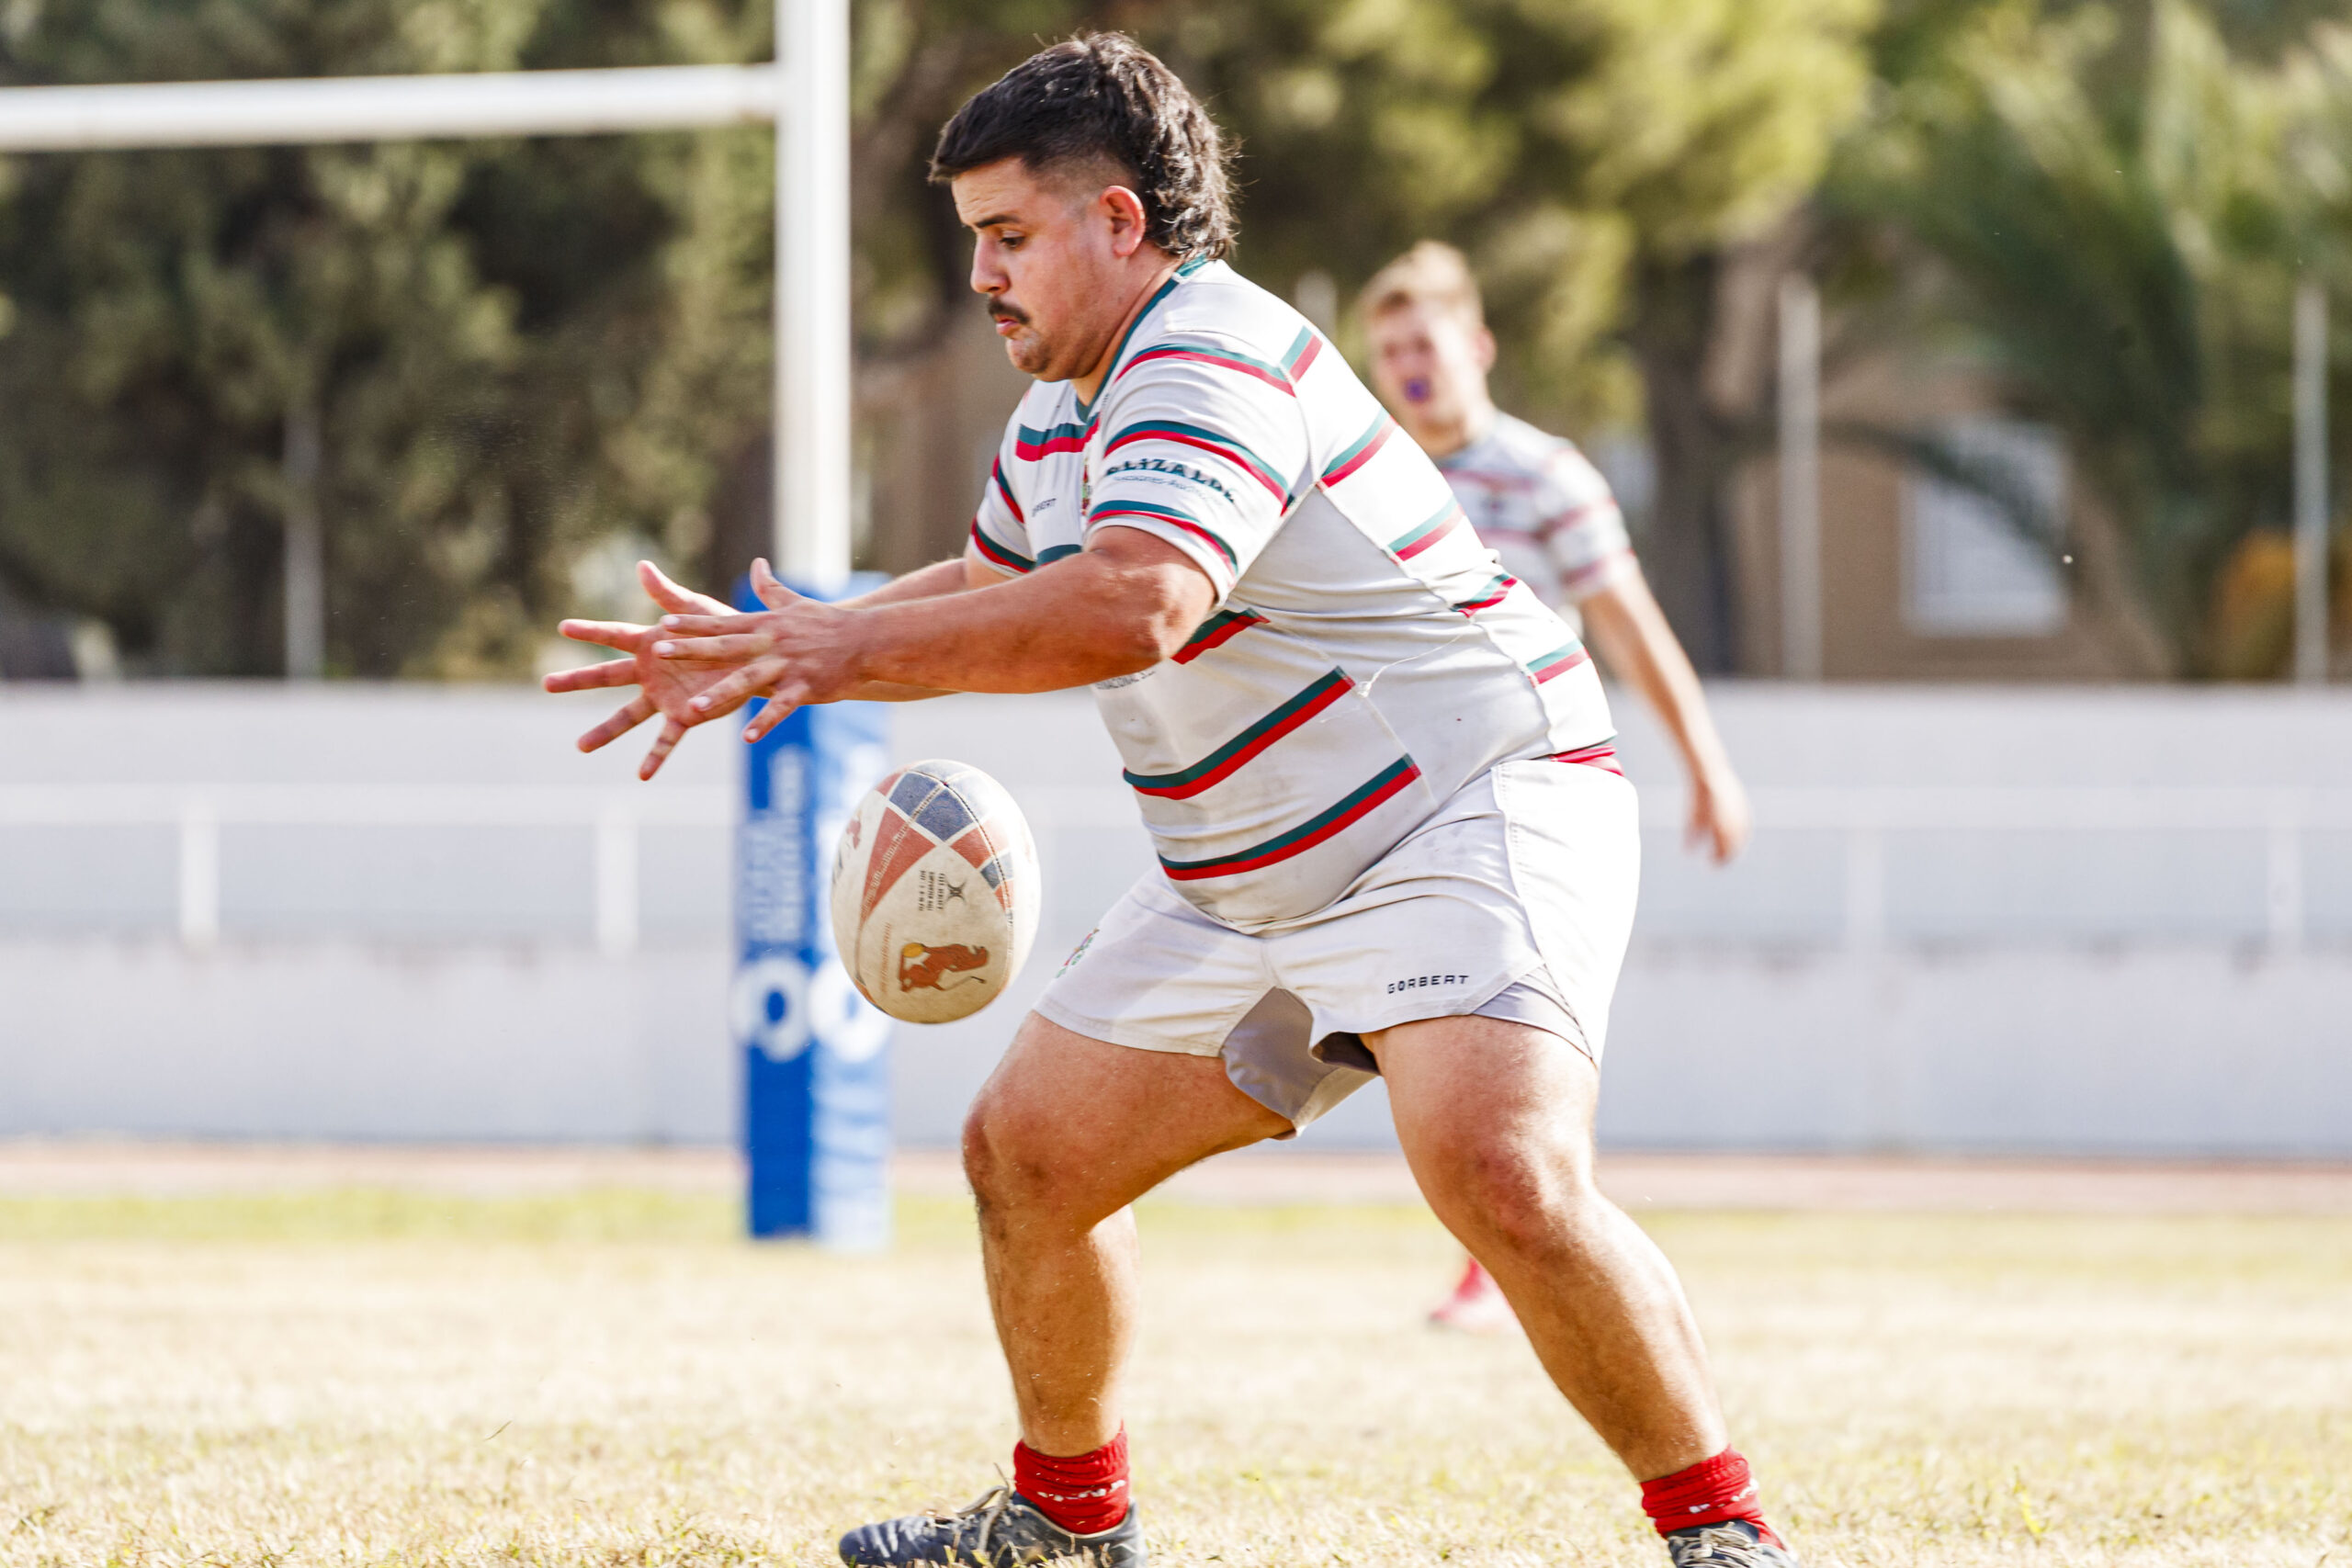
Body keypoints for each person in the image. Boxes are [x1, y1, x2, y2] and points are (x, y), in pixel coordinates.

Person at [544, 35, 1798, 1568]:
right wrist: (788, 643)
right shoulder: (1062, 413)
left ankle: (1722, 1532)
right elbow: (1004, 588)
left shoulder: (1208, 356)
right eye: (973, 243)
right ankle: (1068, 1521)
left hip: (1464, 815)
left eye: (1009, 237)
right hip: (1248, 880)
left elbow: (1132, 604)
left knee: (1503, 1172)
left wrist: (835, 643)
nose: (985, 277)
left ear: (1120, 223)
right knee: (1031, 1154)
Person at [1359, 243, 1752, 1335]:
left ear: (1476, 345)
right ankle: (1501, 1253)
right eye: (1388, 351)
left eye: (1423, 343)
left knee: (1511, 1028)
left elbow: (1627, 623)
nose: (1408, 367)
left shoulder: (1544, 476)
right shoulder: (1374, 480)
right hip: (1402, 801)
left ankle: (1514, 1262)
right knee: (1435, 1030)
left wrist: (1705, 764)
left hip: (1528, 798)